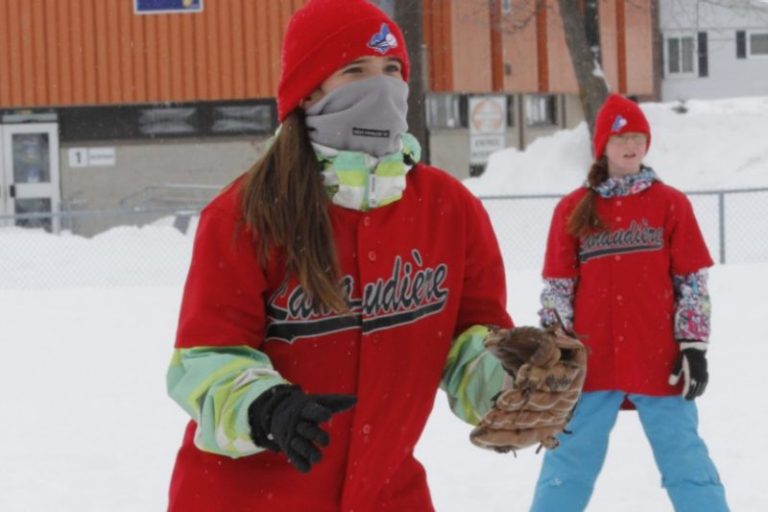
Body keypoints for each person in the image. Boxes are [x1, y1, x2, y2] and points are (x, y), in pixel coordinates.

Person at [166, 1, 514, 510]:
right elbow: (204, 360)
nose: (383, 87)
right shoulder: (245, 216)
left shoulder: (449, 209)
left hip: (387, 494)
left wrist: (511, 384)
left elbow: (469, 342)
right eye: (356, 71)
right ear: (309, 90)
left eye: (392, 70)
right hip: (249, 498)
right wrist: (266, 407)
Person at [529, 94, 729, 511]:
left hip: (658, 359)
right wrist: (555, 350)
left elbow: (692, 282)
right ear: (603, 145)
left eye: (638, 136)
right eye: (621, 137)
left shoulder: (670, 204)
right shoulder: (573, 208)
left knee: (685, 457)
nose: (630, 145)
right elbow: (558, 288)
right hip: (590, 362)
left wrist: (693, 347)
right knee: (568, 462)